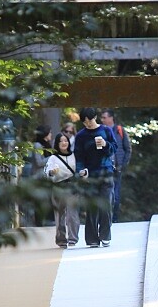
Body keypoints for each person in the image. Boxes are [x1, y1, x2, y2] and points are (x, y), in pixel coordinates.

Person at [73, 106, 117, 247]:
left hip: (106, 172)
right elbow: (79, 156)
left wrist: (105, 144)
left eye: (89, 121)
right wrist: (81, 170)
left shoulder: (106, 130)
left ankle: (105, 235)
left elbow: (114, 148)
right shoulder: (81, 136)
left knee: (106, 205)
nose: (88, 124)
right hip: (90, 174)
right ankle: (92, 239)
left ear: (95, 118)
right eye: (85, 122)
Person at [44, 132, 80, 248]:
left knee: (72, 214)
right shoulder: (53, 158)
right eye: (61, 141)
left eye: (66, 140)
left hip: (72, 187)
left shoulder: (75, 155)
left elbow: (80, 169)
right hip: (58, 187)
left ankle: (73, 239)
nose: (64, 143)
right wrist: (52, 172)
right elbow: (47, 171)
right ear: (57, 144)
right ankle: (61, 239)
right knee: (59, 215)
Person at [100, 109, 131, 221]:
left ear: (111, 118)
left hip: (117, 168)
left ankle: (115, 218)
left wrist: (123, 165)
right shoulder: (100, 131)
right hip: (103, 167)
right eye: (102, 117)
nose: (102, 119)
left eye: (104, 117)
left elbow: (128, 149)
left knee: (116, 195)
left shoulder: (119, 130)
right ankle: (105, 218)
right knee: (104, 194)